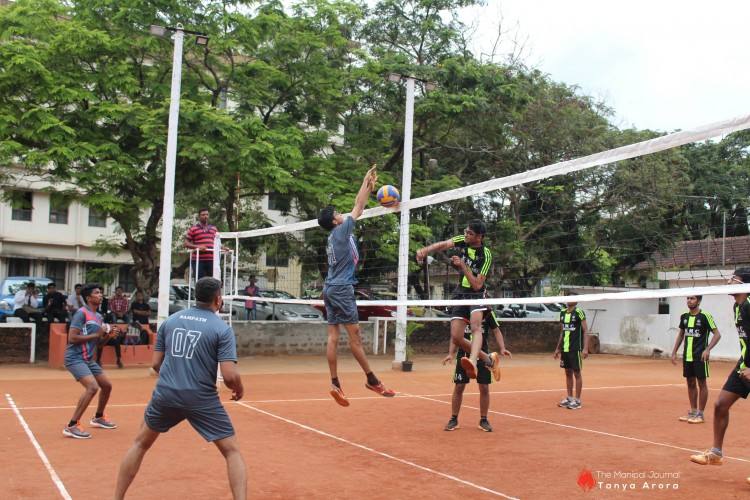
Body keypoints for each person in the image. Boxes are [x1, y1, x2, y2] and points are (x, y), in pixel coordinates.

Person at [114, 277, 246, 500]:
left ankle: (117, 498)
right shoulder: (221, 329)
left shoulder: (171, 321)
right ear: (218, 299)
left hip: (166, 393)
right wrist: (238, 388)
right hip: (201, 398)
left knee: (139, 444)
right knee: (232, 451)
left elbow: (156, 364)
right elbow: (230, 375)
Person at [317, 165, 395, 406]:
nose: (342, 213)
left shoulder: (334, 236)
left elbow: (356, 207)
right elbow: (358, 207)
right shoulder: (340, 231)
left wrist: (369, 186)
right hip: (341, 289)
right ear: (334, 220)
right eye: (338, 212)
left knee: (332, 336)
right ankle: (372, 380)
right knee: (355, 338)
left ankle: (335, 383)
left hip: (330, 288)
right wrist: (365, 182)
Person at [416, 221, 501, 381]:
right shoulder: (463, 240)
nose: (466, 235)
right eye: (466, 231)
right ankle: (489, 359)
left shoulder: (486, 254)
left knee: (476, 327)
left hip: (477, 294)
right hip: (460, 293)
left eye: (470, 233)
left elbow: (477, 285)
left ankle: (473, 362)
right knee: (456, 336)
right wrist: (425, 251)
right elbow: (444, 244)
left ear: (479, 237)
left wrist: (463, 266)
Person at [690, 268, 750, 475]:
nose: (728, 281)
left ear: (744, 285)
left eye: (734, 279)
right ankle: (716, 453)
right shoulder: (737, 306)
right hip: (744, 364)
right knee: (720, 404)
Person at [62, 283, 121, 439]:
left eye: (101, 292)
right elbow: (72, 338)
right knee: (92, 387)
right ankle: (72, 425)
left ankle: (98, 417)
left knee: (107, 386)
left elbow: (98, 343)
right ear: (88, 298)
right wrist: (98, 334)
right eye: (97, 293)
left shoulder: (99, 316)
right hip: (74, 358)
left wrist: (109, 336)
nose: (100, 295)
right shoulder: (81, 313)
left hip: (88, 359)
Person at [443, 309, 511, 432]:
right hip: (463, 356)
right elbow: (455, 336)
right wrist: (450, 354)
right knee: (459, 386)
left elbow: (496, 330)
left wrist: (502, 348)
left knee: (484, 387)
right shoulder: (461, 312)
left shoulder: (488, 313)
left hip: (483, 355)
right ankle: (454, 419)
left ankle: (483, 420)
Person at [670, 295, 721, 424]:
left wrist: (708, 349)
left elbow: (717, 334)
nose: (689, 300)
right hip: (688, 356)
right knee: (690, 383)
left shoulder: (705, 316)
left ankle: (700, 414)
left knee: (702, 383)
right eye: (688, 298)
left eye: (692, 298)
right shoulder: (684, 317)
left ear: (698, 301)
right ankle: (693, 412)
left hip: (700, 357)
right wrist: (674, 351)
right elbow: (681, 334)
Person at [554, 302, 589, 410]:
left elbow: (585, 331)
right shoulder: (562, 313)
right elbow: (562, 332)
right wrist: (557, 348)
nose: (569, 300)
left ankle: (577, 401)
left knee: (577, 373)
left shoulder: (579, 312)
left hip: (575, 348)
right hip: (565, 348)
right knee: (568, 373)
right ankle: (569, 398)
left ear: (576, 301)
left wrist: (585, 348)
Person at [185, 208, 219, 279]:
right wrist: (197, 247)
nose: (205, 216)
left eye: (207, 214)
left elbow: (217, 243)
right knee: (200, 281)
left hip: (211, 260)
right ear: (199, 216)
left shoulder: (214, 229)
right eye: (203, 215)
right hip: (198, 259)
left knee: (212, 282)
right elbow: (186, 243)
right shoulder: (193, 229)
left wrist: (223, 247)